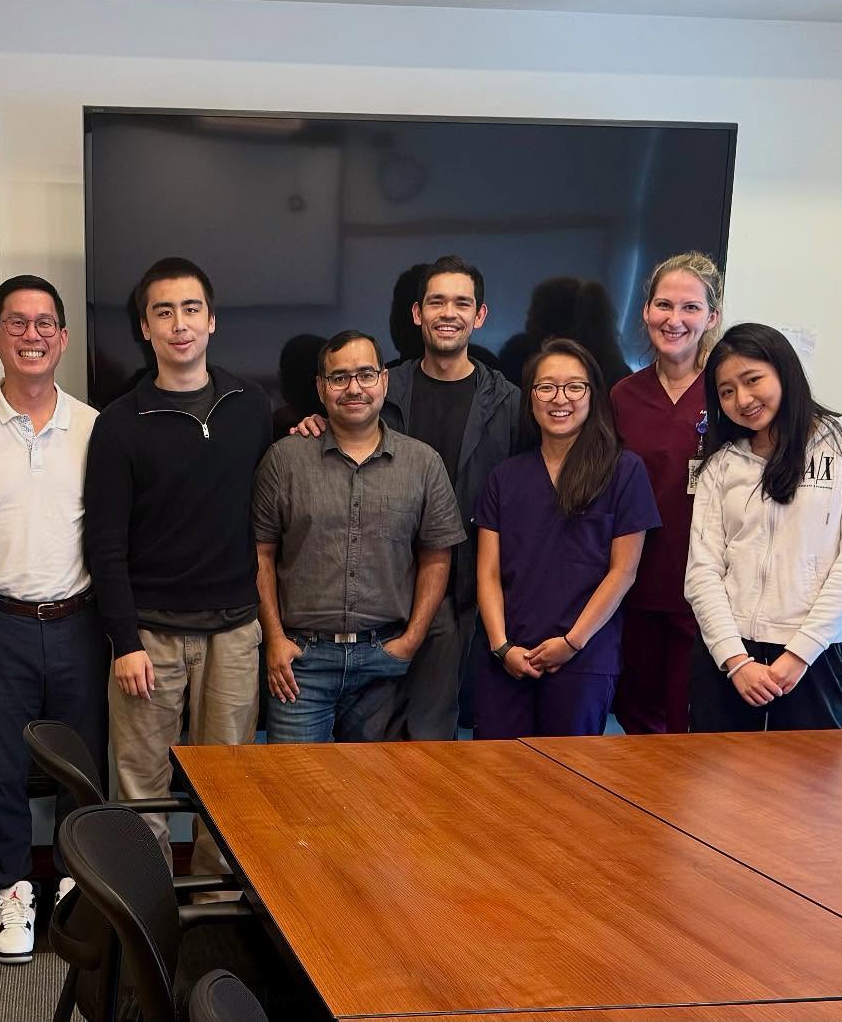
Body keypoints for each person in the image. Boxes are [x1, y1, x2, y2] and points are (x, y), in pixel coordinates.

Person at [84, 257, 272, 877]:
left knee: (231, 791)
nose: (179, 324)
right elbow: (104, 544)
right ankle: (150, 917)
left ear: (211, 321)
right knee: (142, 793)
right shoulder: (118, 423)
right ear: (145, 328)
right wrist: (124, 641)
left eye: (191, 309)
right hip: (149, 639)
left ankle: (217, 914)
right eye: (163, 312)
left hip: (235, 636)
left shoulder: (252, 408)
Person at [0, 275, 107, 965]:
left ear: (63, 338)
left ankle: (76, 885)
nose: (33, 335)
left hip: (78, 618)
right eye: (17, 323)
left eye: (45, 323)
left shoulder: (95, 427)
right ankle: (12, 891)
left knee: (81, 768)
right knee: (3, 769)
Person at [302, 255, 520, 738]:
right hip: (378, 597)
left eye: (462, 302)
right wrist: (315, 425)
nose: (449, 312)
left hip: (464, 598)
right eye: (437, 301)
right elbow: (338, 428)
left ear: (480, 316)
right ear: (417, 313)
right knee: (368, 744)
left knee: (433, 740)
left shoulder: (508, 403)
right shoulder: (379, 385)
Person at [254, 330, 465, 742]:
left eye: (366, 375)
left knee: (372, 799)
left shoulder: (423, 463)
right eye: (339, 377)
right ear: (321, 387)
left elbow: (437, 557)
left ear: (384, 381)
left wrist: (409, 642)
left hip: (383, 664)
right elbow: (261, 553)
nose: (354, 388)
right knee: (292, 795)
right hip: (301, 664)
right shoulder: (285, 459)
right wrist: (275, 640)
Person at [685, 323, 842, 732]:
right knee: (715, 792)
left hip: (812, 654)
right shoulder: (721, 466)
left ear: (784, 371)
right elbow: (702, 573)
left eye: (752, 379)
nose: (742, 399)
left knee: (812, 792)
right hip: (728, 655)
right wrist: (736, 660)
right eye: (726, 391)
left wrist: (798, 654)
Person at [473, 338, 660, 739]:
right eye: (546, 387)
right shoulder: (505, 477)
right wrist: (502, 647)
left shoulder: (624, 471)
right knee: (493, 784)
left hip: (584, 658)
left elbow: (623, 571)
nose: (561, 398)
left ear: (593, 393)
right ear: (530, 398)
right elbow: (487, 573)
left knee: (569, 789)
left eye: (575, 386)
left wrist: (572, 642)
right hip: (509, 658)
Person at [609, 252, 723, 733]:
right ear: (645, 312)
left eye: (690, 308)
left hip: (709, 591)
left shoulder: (728, 395)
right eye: (663, 305)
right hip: (633, 587)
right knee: (636, 720)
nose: (674, 320)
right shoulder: (621, 397)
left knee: (689, 723)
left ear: (712, 317)